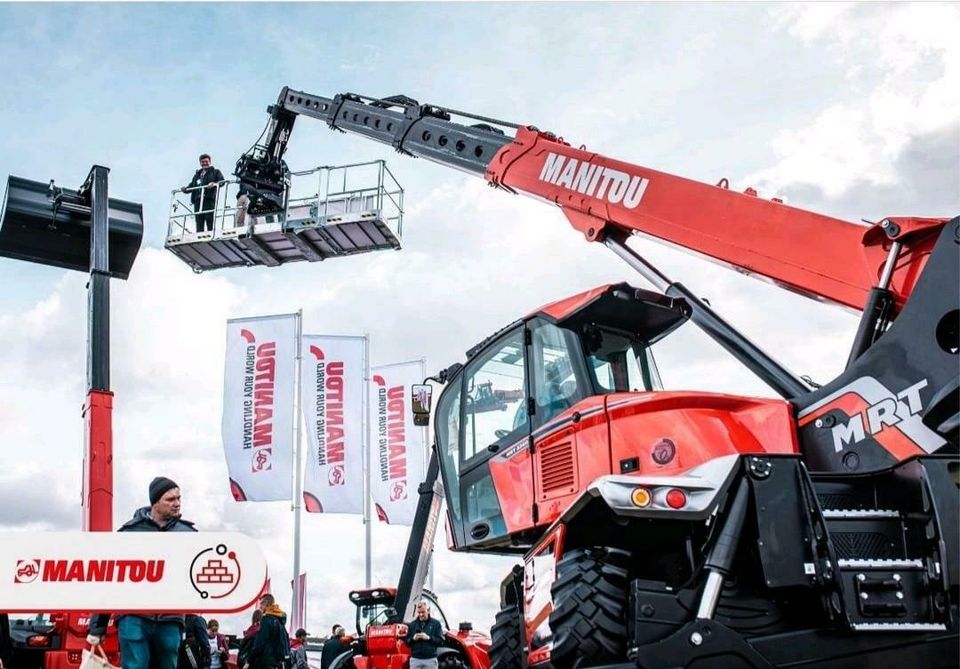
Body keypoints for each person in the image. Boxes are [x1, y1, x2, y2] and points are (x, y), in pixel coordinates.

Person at [87, 476, 197, 669]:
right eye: (170, 500)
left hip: (171, 616)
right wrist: (98, 625)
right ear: (155, 502)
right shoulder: (128, 534)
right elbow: (109, 577)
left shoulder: (189, 535)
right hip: (133, 614)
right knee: (135, 665)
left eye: (179, 498)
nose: (177, 504)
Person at [243, 594, 289, 669]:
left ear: (266, 603)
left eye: (261, 603)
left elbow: (259, 642)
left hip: (266, 662)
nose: (260, 606)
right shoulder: (279, 620)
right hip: (277, 662)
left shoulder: (266, 619)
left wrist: (249, 661)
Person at [183, 153, 224, 233]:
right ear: (200, 163)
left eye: (206, 161)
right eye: (202, 162)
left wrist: (214, 183)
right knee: (199, 220)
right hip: (198, 200)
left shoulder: (215, 172)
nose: (204, 163)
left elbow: (222, 181)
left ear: (210, 162)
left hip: (208, 199)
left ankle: (210, 233)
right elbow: (192, 185)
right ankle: (199, 234)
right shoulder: (197, 175)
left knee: (209, 218)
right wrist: (185, 189)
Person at [403, 602, 444, 669]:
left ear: (428, 610)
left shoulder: (436, 624)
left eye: (423, 612)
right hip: (415, 660)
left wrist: (428, 638)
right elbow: (407, 642)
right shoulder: (412, 625)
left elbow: (441, 641)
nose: (421, 614)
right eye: (419, 612)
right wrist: (413, 639)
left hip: (430, 660)